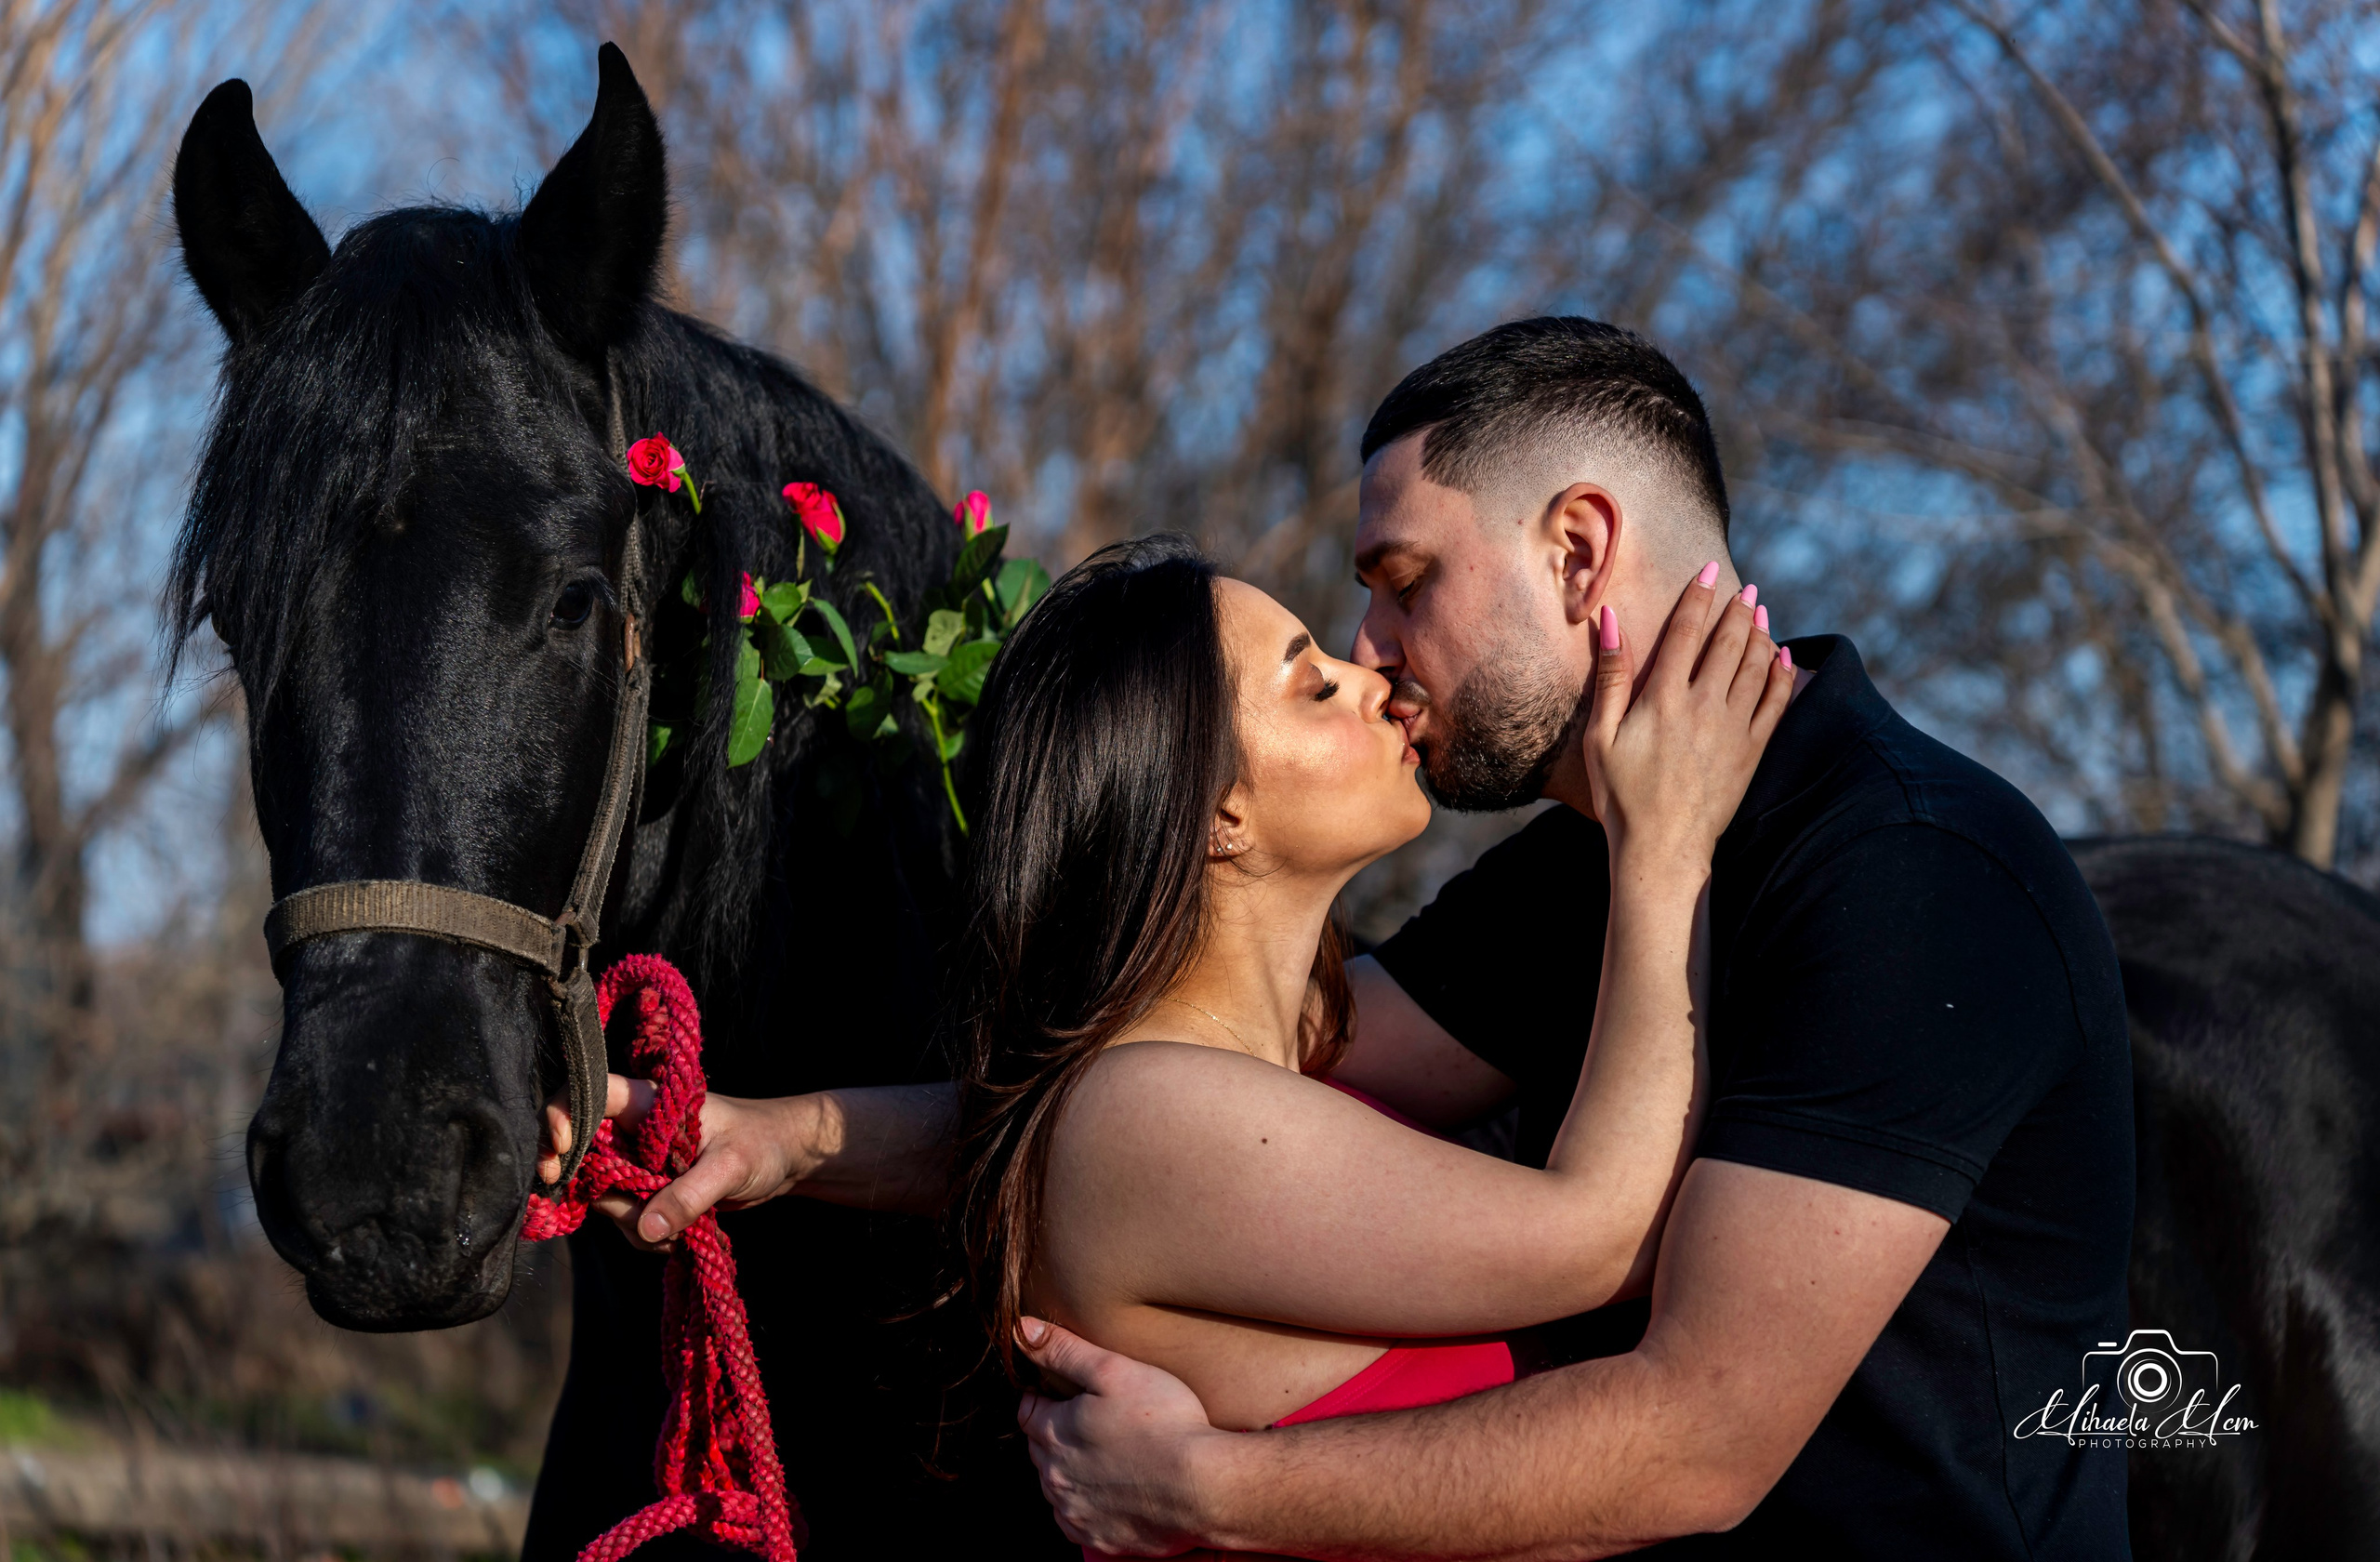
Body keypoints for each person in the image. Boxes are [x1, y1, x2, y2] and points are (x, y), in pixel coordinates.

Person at [548, 318, 2134, 1558]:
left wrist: (1212, 1491)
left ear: (1579, 555)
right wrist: (789, 1136)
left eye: (1402, 583)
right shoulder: (1581, 868)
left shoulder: (1911, 874)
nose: (1377, 654)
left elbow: (1699, 1439)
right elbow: (1196, 1097)